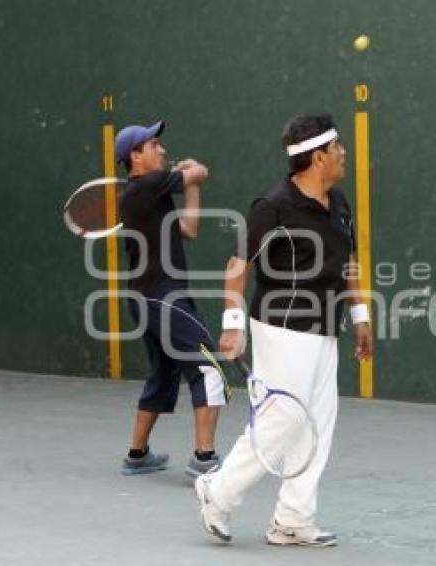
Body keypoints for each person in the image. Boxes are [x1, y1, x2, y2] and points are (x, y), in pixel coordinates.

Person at [194, 114, 374, 546]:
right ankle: (217, 492)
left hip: (325, 327)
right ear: (317, 157)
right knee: (285, 420)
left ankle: (293, 518)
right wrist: (232, 326)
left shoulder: (339, 203)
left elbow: (347, 262)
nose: (343, 154)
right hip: (281, 326)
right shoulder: (272, 206)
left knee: (317, 424)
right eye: (337, 149)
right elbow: (238, 266)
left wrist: (361, 316)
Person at [115, 120, 226, 477]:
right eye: (154, 145)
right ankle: (205, 458)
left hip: (146, 300)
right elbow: (202, 171)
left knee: (163, 375)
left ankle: (137, 454)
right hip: (163, 299)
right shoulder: (145, 186)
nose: (162, 150)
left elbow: (189, 229)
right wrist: (192, 171)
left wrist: (191, 183)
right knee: (209, 369)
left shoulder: (148, 197)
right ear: (136, 155)